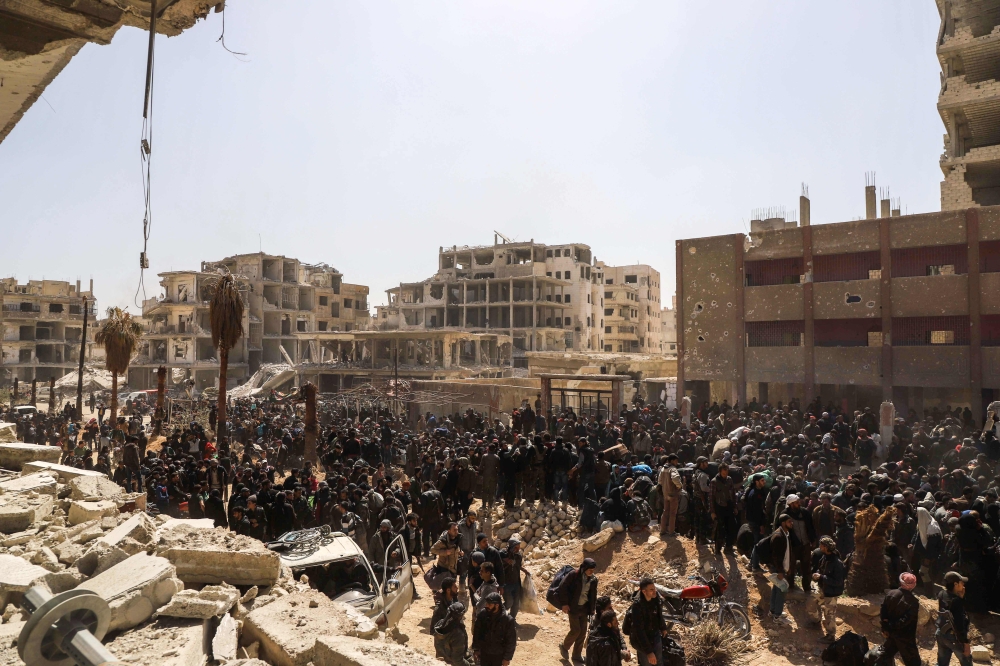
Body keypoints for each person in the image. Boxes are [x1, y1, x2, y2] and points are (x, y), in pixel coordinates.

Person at [557, 557, 599, 664]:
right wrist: (565, 604)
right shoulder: (573, 575)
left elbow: (593, 595)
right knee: (576, 630)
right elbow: (562, 587)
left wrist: (592, 609)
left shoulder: (593, 580)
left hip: (584, 609)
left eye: (593, 570)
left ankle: (576, 656)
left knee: (582, 633)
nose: (591, 572)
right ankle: (564, 646)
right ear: (584, 568)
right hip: (573, 608)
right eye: (590, 569)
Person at [806, 536, 845, 643]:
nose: (819, 547)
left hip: (831, 592)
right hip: (822, 587)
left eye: (821, 546)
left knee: (829, 615)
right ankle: (816, 621)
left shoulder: (837, 563)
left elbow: (838, 582)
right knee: (810, 602)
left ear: (826, 547)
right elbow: (821, 568)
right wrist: (818, 574)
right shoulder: (824, 557)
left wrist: (822, 577)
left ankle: (831, 636)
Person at [879, 572, 921, 666]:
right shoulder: (913, 602)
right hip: (905, 637)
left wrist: (886, 628)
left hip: (890, 634)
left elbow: (883, 612)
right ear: (913, 585)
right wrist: (890, 627)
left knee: (883, 658)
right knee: (914, 663)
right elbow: (906, 620)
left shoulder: (890, 593)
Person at [627, 577, 667, 666]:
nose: (655, 591)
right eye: (651, 590)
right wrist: (649, 652)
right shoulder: (637, 606)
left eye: (654, 588)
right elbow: (639, 631)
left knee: (659, 662)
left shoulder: (655, 599)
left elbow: (659, 614)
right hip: (642, 639)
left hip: (655, 634)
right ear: (644, 592)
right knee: (647, 663)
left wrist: (663, 627)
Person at [936, 571, 972, 666]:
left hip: (941, 634)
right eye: (961, 582)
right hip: (954, 638)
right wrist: (966, 643)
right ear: (955, 584)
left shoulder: (941, 593)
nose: (963, 584)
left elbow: (950, 607)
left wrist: (960, 598)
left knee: (942, 663)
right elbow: (959, 624)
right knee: (966, 662)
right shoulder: (957, 602)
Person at [472, 592, 517, 666]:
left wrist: (507, 658)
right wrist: (476, 649)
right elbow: (477, 633)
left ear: (497, 605)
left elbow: (511, 641)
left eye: (490, 605)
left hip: (499, 655)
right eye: (486, 604)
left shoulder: (507, 619)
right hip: (484, 653)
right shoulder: (483, 615)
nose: (487, 606)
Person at [767, 513, 795, 623]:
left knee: (776, 589)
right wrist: (780, 571)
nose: (791, 523)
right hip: (779, 568)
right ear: (783, 523)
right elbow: (776, 556)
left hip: (782, 568)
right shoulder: (778, 536)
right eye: (789, 522)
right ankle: (777, 616)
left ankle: (773, 611)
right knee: (781, 591)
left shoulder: (785, 534)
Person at [433, 601, 473, 666]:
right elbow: (457, 660)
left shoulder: (440, 624)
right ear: (460, 616)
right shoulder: (458, 634)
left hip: (441, 661)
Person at [500, 537, 527, 619]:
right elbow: (496, 565)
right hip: (506, 583)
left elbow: (517, 566)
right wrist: (505, 560)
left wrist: (524, 570)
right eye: (516, 547)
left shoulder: (518, 555)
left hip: (516, 582)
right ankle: (499, 615)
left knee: (516, 604)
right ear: (511, 546)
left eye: (519, 547)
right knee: (509, 602)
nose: (518, 549)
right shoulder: (502, 553)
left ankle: (511, 620)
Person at [657, 454, 682, 537]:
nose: (677, 462)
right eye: (676, 460)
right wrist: (679, 486)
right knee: (672, 513)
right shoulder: (673, 469)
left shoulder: (663, 468)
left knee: (665, 512)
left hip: (665, 494)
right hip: (673, 493)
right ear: (672, 460)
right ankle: (671, 531)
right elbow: (675, 478)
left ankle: (662, 530)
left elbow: (659, 481)